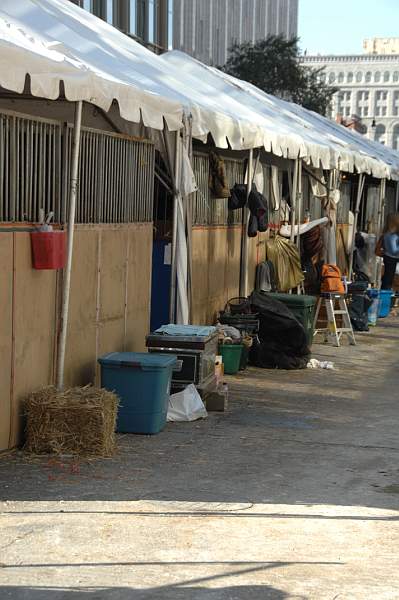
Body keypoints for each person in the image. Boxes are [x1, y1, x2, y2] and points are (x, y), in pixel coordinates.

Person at [381, 213, 399, 290]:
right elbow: (394, 250)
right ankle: (385, 295)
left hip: (389, 257)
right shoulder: (391, 235)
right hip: (391, 258)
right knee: (388, 279)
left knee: (388, 278)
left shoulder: (388, 233)